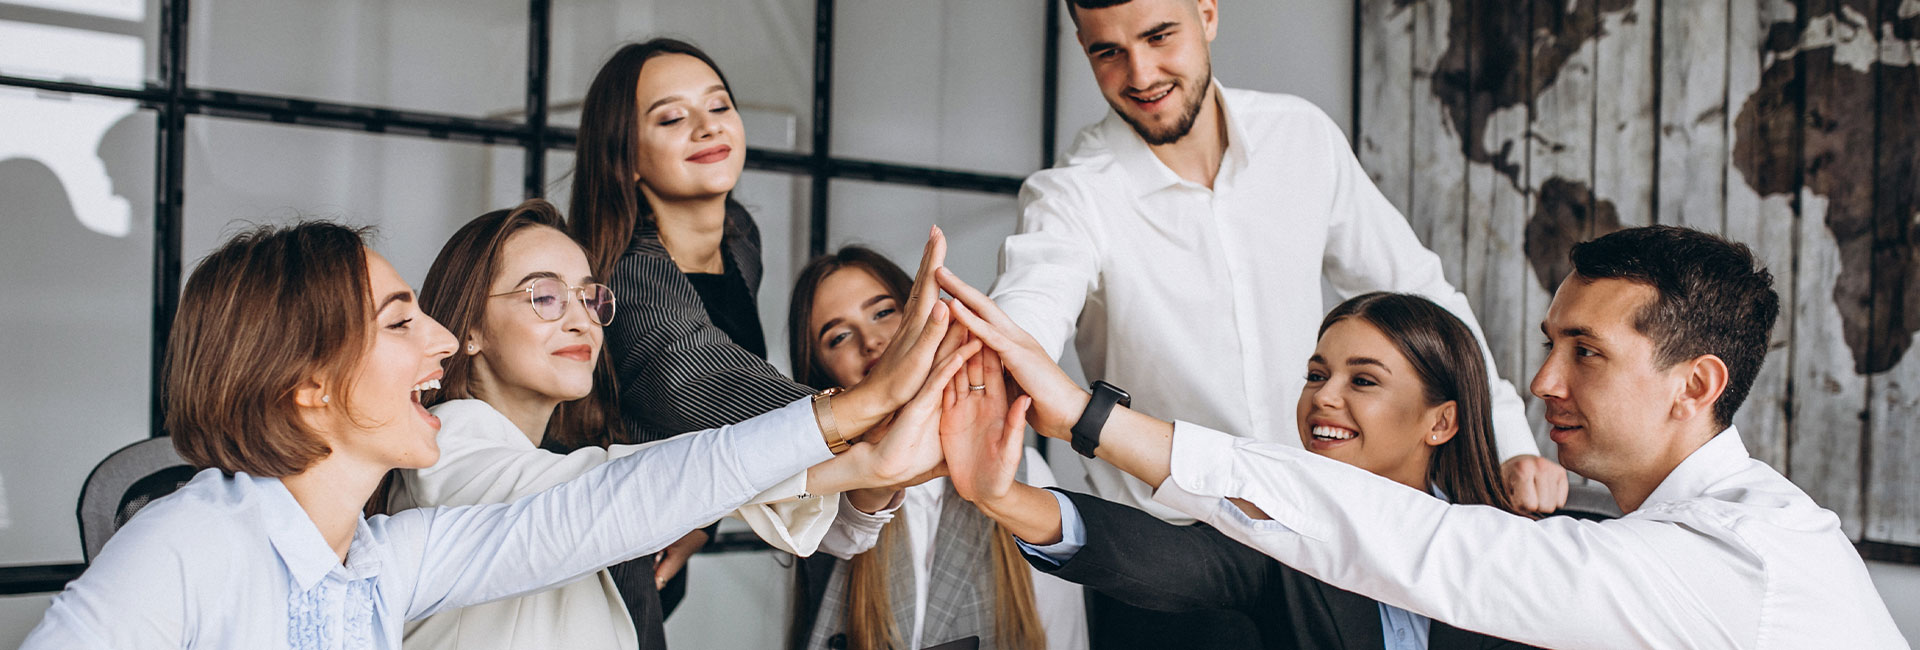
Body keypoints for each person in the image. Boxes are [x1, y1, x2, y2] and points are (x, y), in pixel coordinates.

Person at [937, 226, 1908, 649]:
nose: (1542, 381)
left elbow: (1421, 545)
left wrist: (1086, 414)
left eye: (1587, 352)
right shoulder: (1671, 534)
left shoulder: (1729, 555)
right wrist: (1009, 492)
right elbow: (1206, 557)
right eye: (1546, 345)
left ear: (1695, 384)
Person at [19, 220, 972, 649]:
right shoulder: (186, 541)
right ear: (308, 387)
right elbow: (610, 492)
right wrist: (844, 422)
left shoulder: (384, 560)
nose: (435, 339)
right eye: (401, 323)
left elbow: (610, 502)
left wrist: (852, 435)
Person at [990, 2, 1564, 643]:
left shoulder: (1301, 138)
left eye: (1159, 36)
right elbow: (1029, 308)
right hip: (1165, 566)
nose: (1141, 73)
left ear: (1207, 13)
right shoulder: (1072, 196)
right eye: (1107, 51)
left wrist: (1507, 437)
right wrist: (1007, 366)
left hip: (1312, 549)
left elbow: (1420, 293)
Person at [383, 201, 922, 649]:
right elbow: (620, 489)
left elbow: (649, 486)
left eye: (590, 296)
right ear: (470, 328)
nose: (580, 318)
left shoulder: (552, 461)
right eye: (544, 296)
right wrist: (855, 418)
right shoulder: (445, 442)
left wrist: (870, 465)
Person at [568, 37, 939, 618]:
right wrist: (869, 403)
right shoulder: (626, 273)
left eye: (718, 107)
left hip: (663, 532)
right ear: (627, 156)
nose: (705, 127)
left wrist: (705, 520)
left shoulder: (739, 239)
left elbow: (702, 426)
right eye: (671, 117)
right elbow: (703, 381)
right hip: (595, 549)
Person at [943, 292, 1537, 649]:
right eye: (1315, 374)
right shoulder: (1280, 532)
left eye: (1362, 380)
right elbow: (1163, 560)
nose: (1323, 397)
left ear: (1441, 422)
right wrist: (1004, 496)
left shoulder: (1509, 546)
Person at [785, 246, 1089, 650]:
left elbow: (1065, 634)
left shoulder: (1021, 468)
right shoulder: (817, 486)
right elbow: (839, 533)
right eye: (838, 336)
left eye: (883, 312)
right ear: (819, 368)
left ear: (924, 314)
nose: (871, 341)